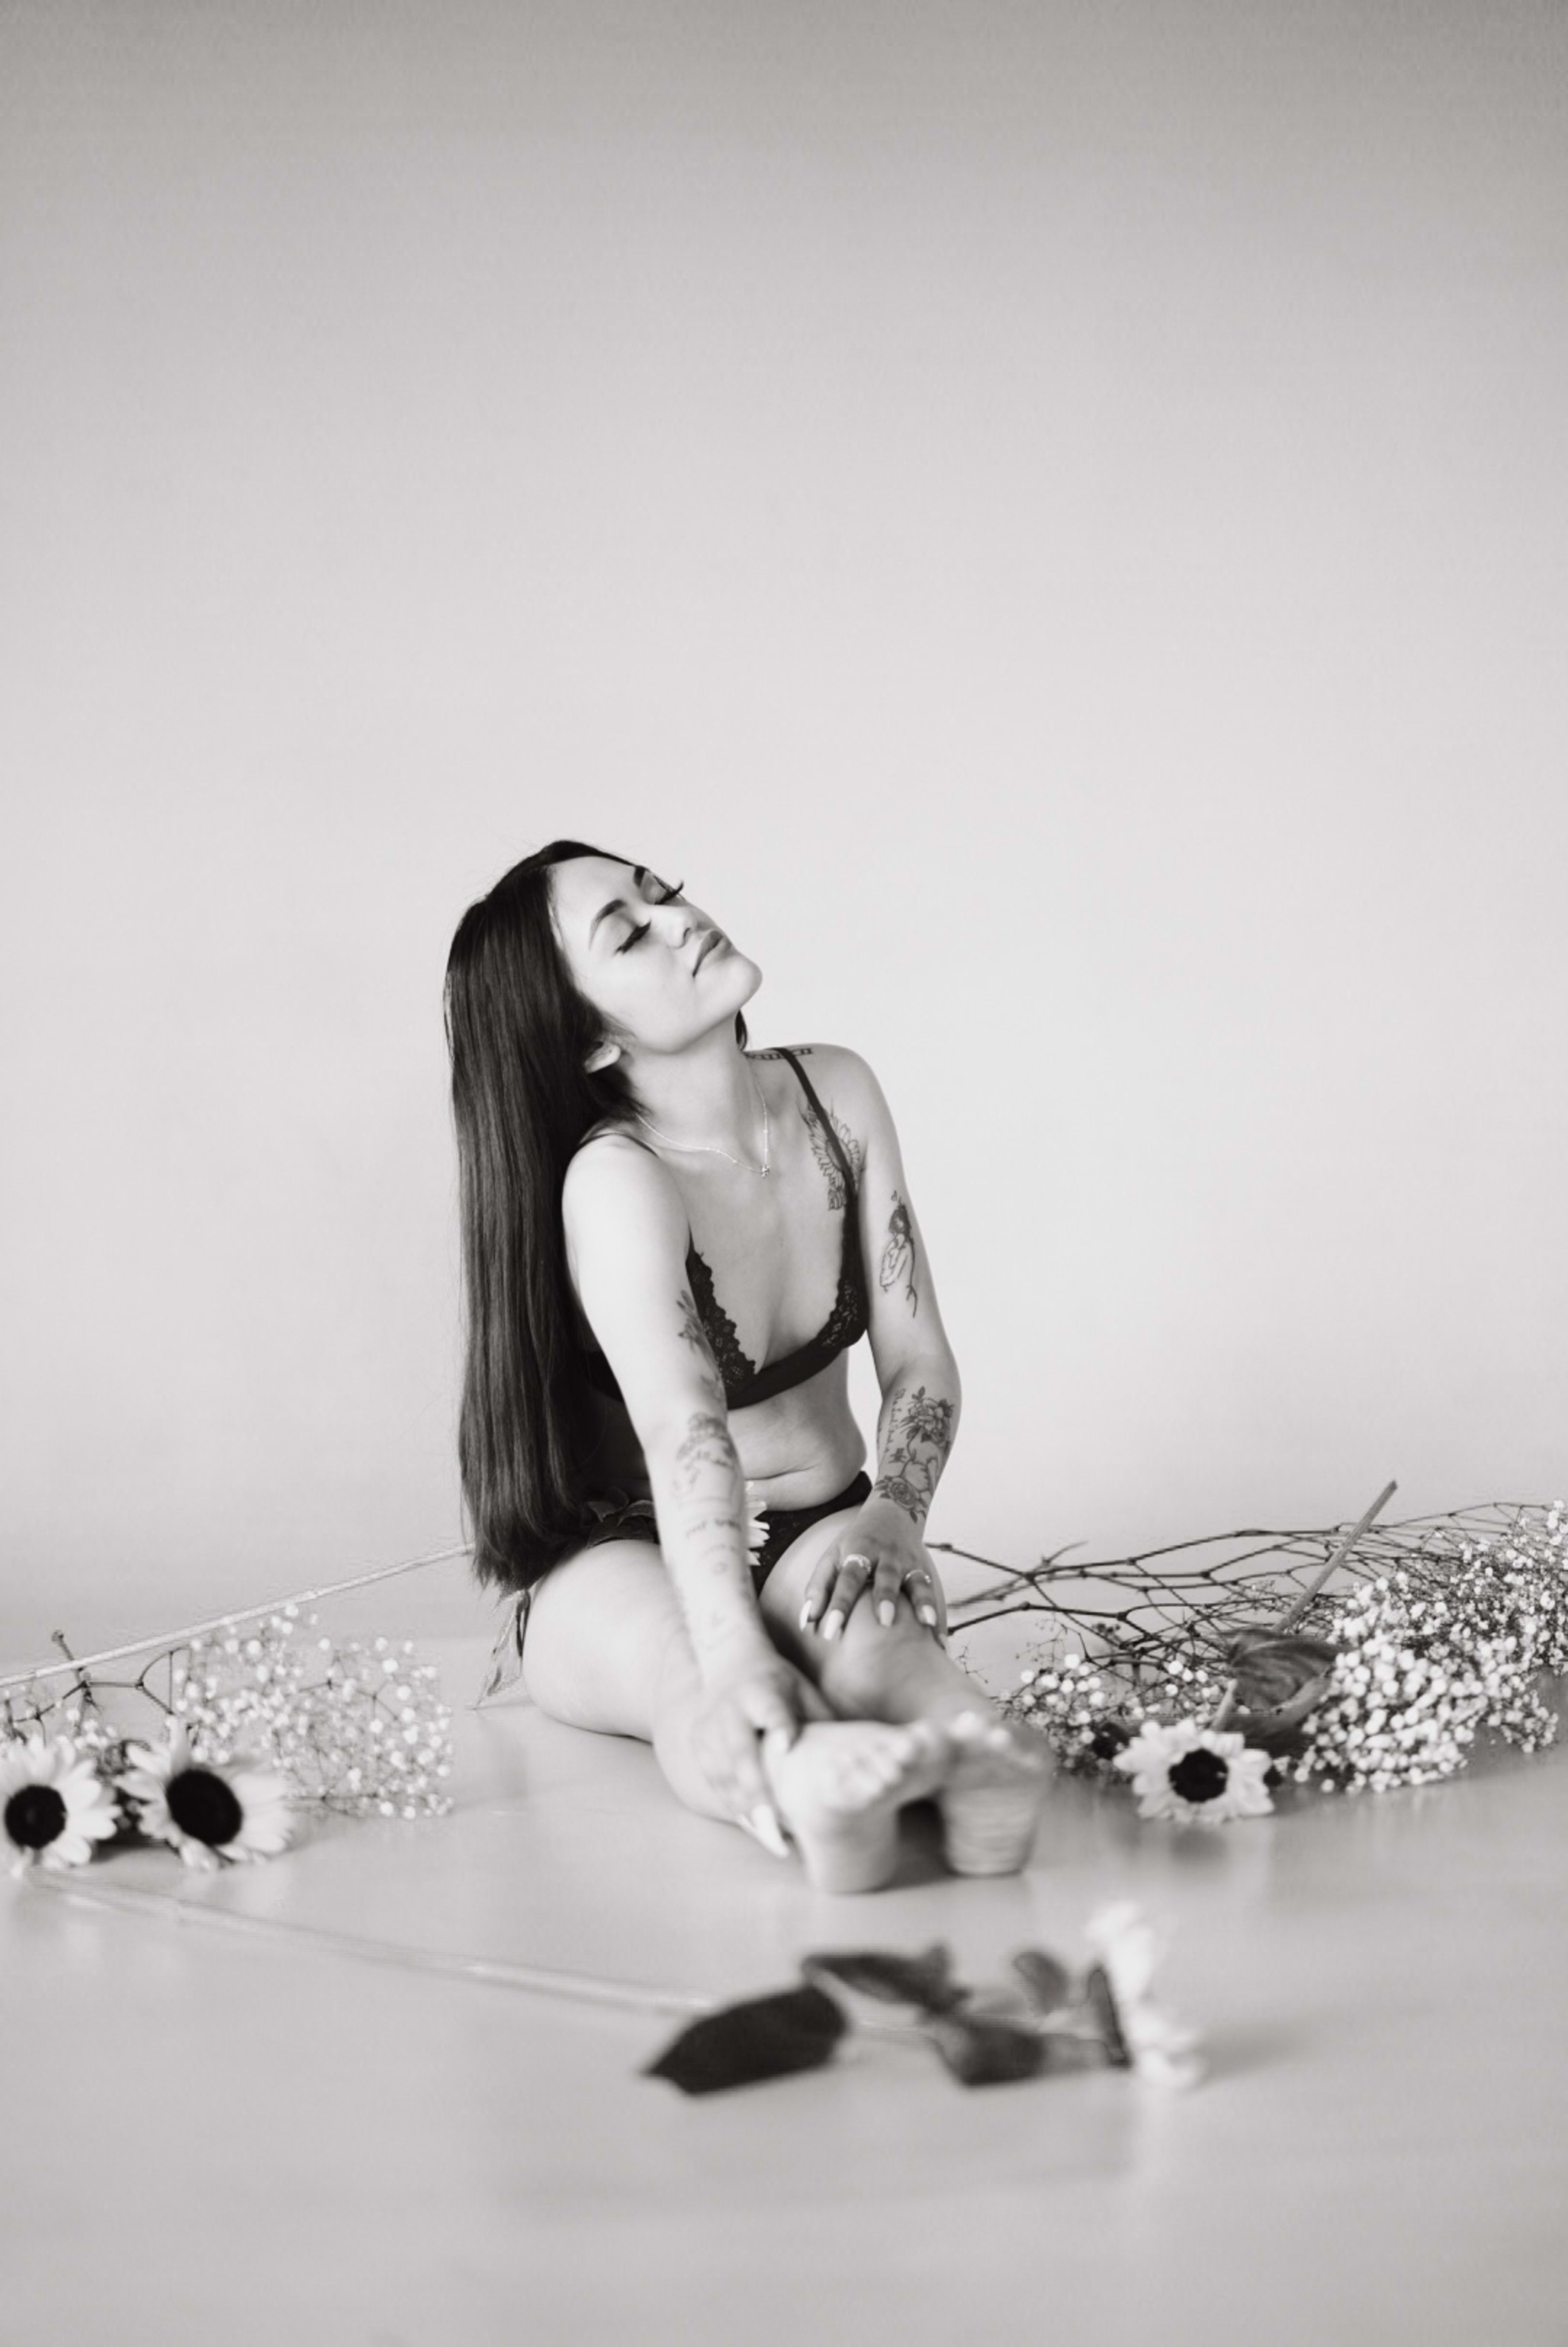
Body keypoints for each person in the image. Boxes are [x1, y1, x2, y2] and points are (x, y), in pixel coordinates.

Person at [444, 840, 1049, 1892]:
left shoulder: (839, 1095)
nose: (681, 918)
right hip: (635, 1554)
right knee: (692, 1677)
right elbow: (688, 1432)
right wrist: (737, 1660)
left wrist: (894, 1517)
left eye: (662, 891)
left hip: (828, 1525)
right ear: (586, 1044)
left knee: (895, 1658)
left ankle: (975, 1763)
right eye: (631, 932)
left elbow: (920, 1358)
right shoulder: (619, 1181)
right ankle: (813, 1783)